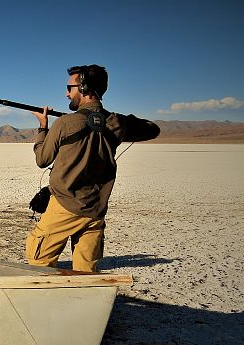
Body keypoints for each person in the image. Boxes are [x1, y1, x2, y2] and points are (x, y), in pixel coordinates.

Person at [26, 64, 160, 272]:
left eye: (69, 87)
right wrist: (118, 121)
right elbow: (153, 129)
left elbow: (42, 159)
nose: (66, 93)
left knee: (39, 261)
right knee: (85, 271)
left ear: (84, 88)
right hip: (95, 211)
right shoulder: (116, 122)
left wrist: (43, 127)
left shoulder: (64, 123)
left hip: (63, 206)